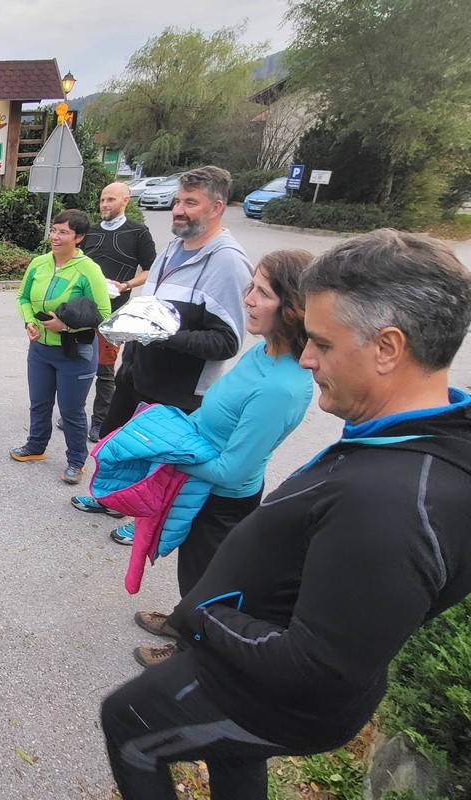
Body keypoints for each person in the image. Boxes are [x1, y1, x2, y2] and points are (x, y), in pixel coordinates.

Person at [100, 230, 471, 800]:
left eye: (321, 342)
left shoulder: (393, 500)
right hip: (260, 669)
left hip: (269, 694)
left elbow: (317, 664)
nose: (306, 358)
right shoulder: (412, 443)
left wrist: (203, 613)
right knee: (226, 753)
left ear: (388, 348)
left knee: (128, 722)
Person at [97, 250, 316, 668]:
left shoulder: (282, 387)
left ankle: (192, 650)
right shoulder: (263, 352)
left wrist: (166, 452)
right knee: (194, 576)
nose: (248, 298)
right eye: (251, 286)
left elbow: (232, 469)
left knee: (209, 581)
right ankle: (185, 620)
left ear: (293, 309)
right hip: (202, 485)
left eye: (263, 293)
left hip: (222, 501)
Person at [90, 166, 254, 545]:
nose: (178, 210)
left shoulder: (227, 262)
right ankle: (115, 500)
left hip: (178, 389)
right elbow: (151, 309)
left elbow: (226, 342)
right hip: (138, 371)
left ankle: (146, 519)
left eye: (190, 203)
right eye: (178, 201)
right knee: (118, 441)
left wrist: (165, 335)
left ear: (216, 208)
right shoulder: (174, 247)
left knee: (157, 461)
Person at [12, 209, 112, 484]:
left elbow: (103, 312)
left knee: (71, 411)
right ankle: (35, 447)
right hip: (41, 350)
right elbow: (22, 297)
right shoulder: (39, 263)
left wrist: (66, 327)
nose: (55, 237)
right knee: (39, 403)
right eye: (54, 230)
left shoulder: (88, 269)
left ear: (78, 237)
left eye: (64, 232)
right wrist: (30, 322)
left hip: (75, 352)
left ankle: (77, 461)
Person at [80, 182, 157, 441]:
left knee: (104, 368)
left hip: (114, 311)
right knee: (78, 363)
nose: (104, 205)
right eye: (102, 199)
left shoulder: (138, 232)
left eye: (111, 200)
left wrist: (125, 285)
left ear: (126, 201)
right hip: (83, 310)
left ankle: (99, 420)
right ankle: (74, 414)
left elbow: (150, 270)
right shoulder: (89, 232)